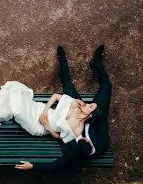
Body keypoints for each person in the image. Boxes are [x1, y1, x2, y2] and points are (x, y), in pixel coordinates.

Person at [15, 44, 111, 172]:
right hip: (93, 116)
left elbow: (54, 166)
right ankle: (96, 63)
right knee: (107, 85)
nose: (79, 137)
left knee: (67, 85)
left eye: (77, 140)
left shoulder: (73, 155)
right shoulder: (102, 141)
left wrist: (32, 166)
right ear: (89, 142)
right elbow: (103, 123)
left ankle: (62, 59)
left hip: (71, 114)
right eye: (83, 139)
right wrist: (92, 112)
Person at [0, 81, 96, 143]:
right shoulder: (75, 104)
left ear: (90, 115)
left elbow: (60, 137)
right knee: (15, 93)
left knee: (15, 110)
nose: (87, 104)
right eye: (90, 103)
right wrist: (46, 110)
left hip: (39, 126)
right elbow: (56, 96)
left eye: (90, 107)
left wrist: (47, 127)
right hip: (40, 110)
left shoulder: (78, 129)